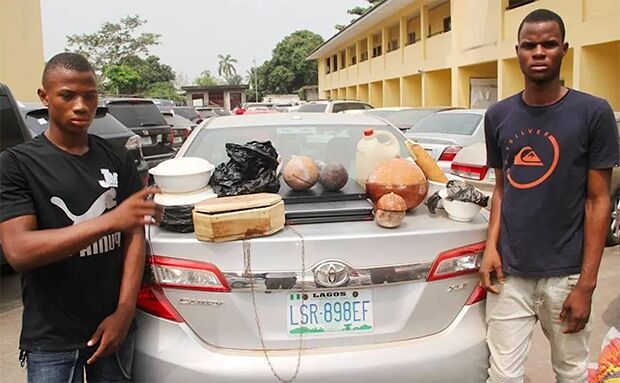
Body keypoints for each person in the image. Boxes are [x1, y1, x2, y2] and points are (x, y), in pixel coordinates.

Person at [0, 52, 161, 382]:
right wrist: (111, 220)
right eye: (67, 95)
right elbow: (19, 250)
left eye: (89, 95)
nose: (81, 106)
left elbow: (135, 236)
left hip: (114, 327)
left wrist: (125, 310)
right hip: (52, 338)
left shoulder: (116, 158)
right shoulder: (17, 164)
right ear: (45, 97)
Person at [480, 9, 620, 383]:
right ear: (518, 52)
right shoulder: (498, 115)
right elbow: (501, 187)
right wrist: (490, 247)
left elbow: (598, 201)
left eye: (549, 44)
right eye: (530, 45)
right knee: (503, 377)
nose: (538, 52)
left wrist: (587, 285)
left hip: (567, 275)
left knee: (571, 373)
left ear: (564, 50)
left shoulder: (593, 113)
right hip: (510, 275)